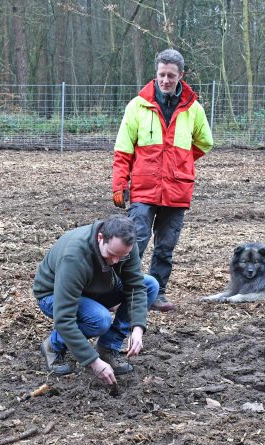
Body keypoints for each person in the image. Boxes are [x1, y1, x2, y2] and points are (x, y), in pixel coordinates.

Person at [111, 48, 213, 313]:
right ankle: (124, 292)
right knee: (135, 241)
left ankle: (157, 293)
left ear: (181, 75)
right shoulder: (137, 106)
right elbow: (123, 149)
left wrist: (181, 163)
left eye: (171, 75)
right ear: (155, 73)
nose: (165, 80)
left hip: (177, 189)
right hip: (144, 188)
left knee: (166, 247)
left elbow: (205, 142)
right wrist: (120, 184)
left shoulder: (194, 109)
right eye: (161, 75)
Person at [33, 215, 159, 384]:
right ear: (101, 238)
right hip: (53, 295)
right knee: (99, 319)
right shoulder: (75, 256)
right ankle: (53, 344)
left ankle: (107, 348)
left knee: (150, 284)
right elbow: (64, 318)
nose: (115, 261)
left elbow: (135, 286)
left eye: (121, 257)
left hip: (95, 288)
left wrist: (137, 328)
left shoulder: (125, 244)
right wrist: (93, 362)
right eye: (111, 254)